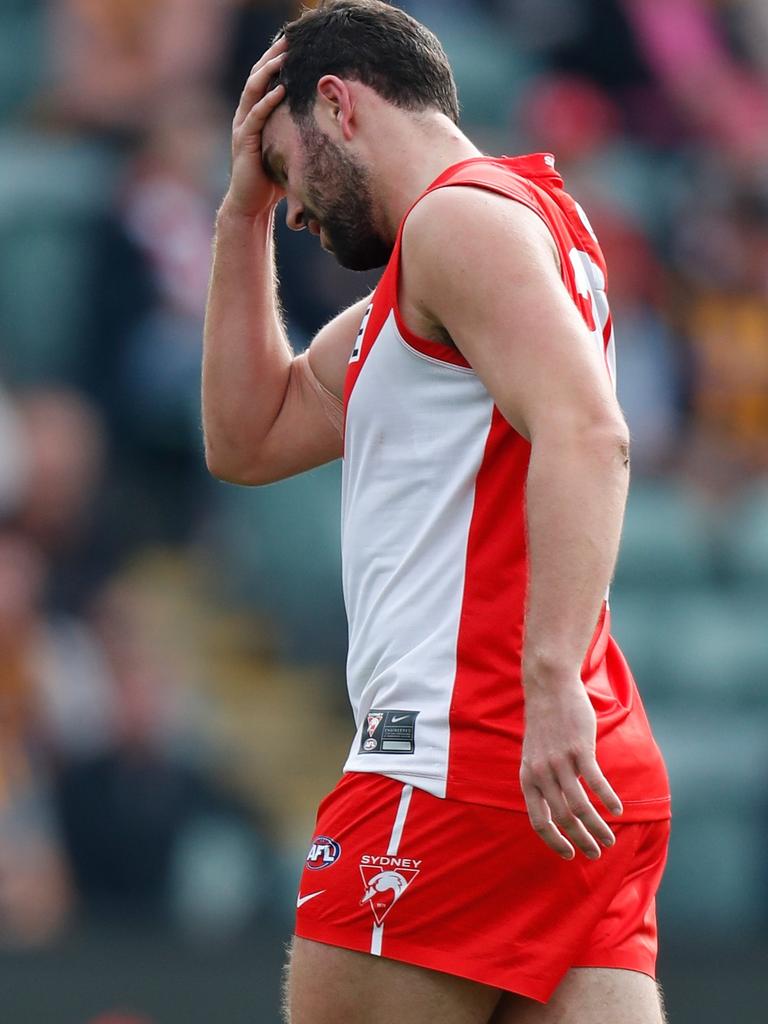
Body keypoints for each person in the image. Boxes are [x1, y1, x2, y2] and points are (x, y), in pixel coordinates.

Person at [201, 2, 671, 1022]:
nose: (290, 210)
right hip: (578, 774)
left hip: (459, 754)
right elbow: (246, 437)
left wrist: (549, 680)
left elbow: (590, 434)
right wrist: (236, 213)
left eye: (285, 170)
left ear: (340, 106)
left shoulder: (457, 225)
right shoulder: (497, 238)